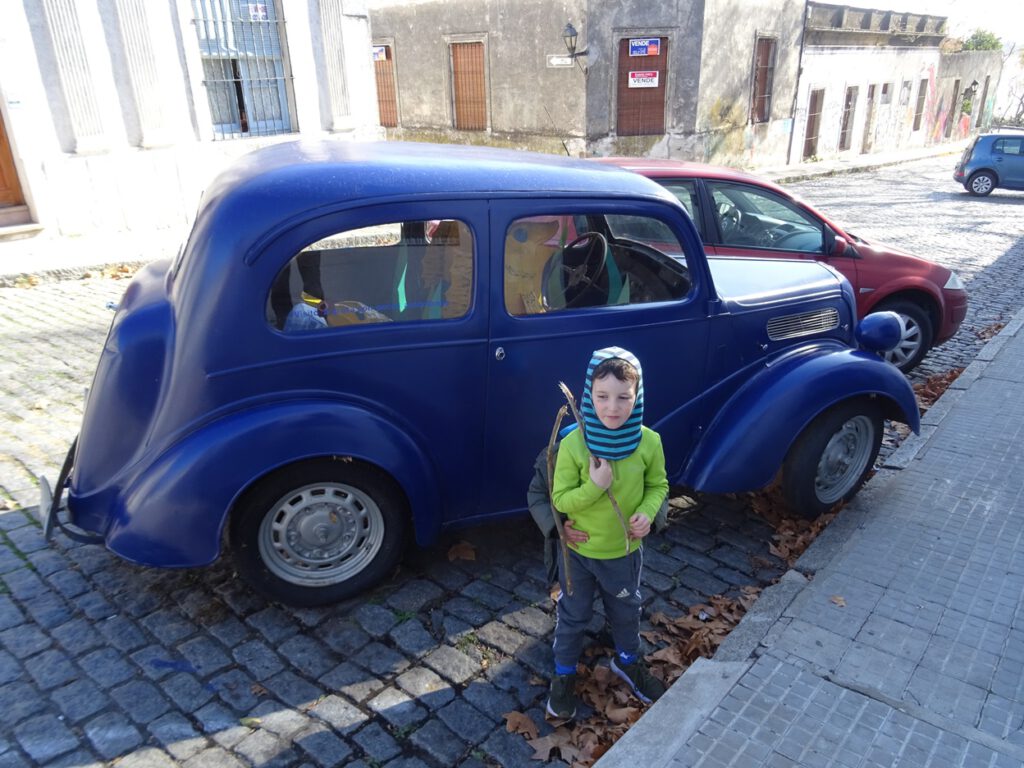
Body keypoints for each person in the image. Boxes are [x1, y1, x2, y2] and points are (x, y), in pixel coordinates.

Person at [546, 346, 669, 720]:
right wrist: (595, 486)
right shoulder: (573, 444)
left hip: (624, 553)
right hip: (581, 555)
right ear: (588, 395)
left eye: (623, 397)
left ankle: (628, 661)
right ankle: (563, 673)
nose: (612, 407)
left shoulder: (649, 442)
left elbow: (658, 486)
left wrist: (647, 514)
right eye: (602, 397)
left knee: (626, 609)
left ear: (638, 396)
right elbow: (561, 499)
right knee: (574, 614)